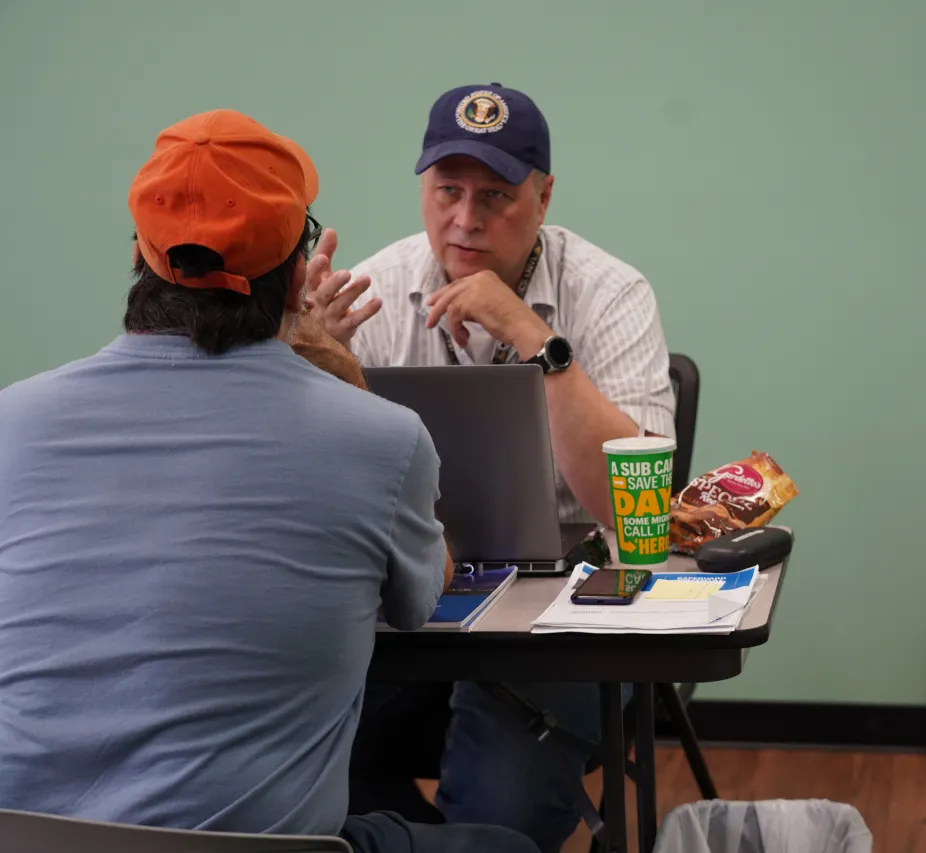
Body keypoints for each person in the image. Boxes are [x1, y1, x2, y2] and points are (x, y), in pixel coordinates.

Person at [0, 109, 536, 853]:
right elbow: (417, 600)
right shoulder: (379, 438)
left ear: (139, 254)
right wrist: (342, 377)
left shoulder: (12, 420)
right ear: (294, 278)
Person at [307, 84, 677, 851]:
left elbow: (630, 509)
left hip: (564, 611)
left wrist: (536, 339)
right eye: (448, 191)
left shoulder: (610, 295)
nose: (466, 220)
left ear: (543, 197)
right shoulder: (373, 292)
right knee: (296, 762)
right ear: (423, 187)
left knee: (500, 814)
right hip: (409, 603)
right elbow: (307, 498)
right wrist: (304, 360)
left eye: (496, 197)